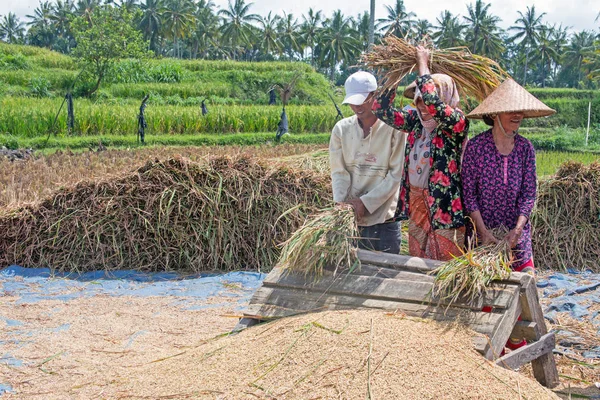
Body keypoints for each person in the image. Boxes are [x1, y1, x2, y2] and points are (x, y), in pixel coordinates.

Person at [461, 78, 556, 350]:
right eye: (510, 110)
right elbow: (470, 194)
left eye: (520, 111)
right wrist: (483, 231)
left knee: (525, 287)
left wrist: (518, 228)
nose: (517, 115)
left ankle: (516, 343)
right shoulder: (477, 148)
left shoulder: (525, 149)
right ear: (494, 115)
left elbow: (529, 193)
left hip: (516, 235)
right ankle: (492, 349)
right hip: (485, 238)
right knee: (490, 292)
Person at [372, 46, 469, 261]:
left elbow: (434, 105)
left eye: (426, 99)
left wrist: (422, 64)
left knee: (444, 264)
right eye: (418, 100)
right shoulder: (415, 122)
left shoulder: (456, 123)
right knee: (417, 261)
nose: (423, 106)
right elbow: (380, 109)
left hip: (444, 207)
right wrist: (395, 75)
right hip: (416, 201)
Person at [329, 71, 406, 254]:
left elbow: (396, 175)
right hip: (353, 217)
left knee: (384, 276)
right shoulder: (342, 129)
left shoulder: (395, 128)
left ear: (374, 95)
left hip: (384, 219)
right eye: (352, 102)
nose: (357, 106)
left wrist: (365, 202)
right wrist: (341, 204)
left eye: (362, 100)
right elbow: (339, 172)